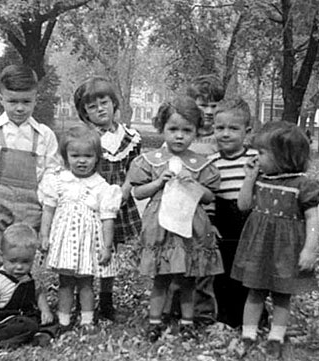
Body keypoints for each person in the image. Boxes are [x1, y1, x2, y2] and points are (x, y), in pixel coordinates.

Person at [128, 97, 223, 342]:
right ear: (162, 129)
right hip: (160, 225)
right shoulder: (152, 160)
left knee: (188, 278)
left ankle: (187, 322)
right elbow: (137, 192)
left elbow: (210, 197)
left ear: (196, 131)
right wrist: (159, 182)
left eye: (186, 130)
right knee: (161, 277)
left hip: (190, 225)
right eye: (173, 129)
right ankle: (155, 320)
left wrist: (197, 187)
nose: (179, 136)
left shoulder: (200, 164)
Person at [232, 121, 319, 358]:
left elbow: (313, 220)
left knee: (283, 294)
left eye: (262, 153)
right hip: (259, 247)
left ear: (283, 157)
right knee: (255, 291)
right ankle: (248, 334)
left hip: (286, 249)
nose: (256, 157)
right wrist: (249, 178)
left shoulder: (303, 186)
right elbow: (243, 205)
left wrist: (310, 249)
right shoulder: (261, 179)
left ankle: (276, 337)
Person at [0, 65, 61, 292]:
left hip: (31, 206)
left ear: (35, 99)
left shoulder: (44, 135)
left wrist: (45, 199)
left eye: (26, 102)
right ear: (1, 99)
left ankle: (22, 309)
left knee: (23, 258)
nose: (20, 108)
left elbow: (53, 170)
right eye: (13, 101)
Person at [39, 125, 122, 334]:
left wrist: (107, 246)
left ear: (97, 158)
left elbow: (107, 218)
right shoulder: (59, 181)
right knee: (65, 282)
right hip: (65, 241)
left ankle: (87, 319)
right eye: (75, 155)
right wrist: (44, 234)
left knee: (86, 283)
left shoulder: (101, 186)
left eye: (88, 155)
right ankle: (64, 319)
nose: (82, 160)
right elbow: (48, 210)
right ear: (66, 156)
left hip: (88, 244)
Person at [73, 77, 142, 322]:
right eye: (92, 107)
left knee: (108, 251)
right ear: (85, 113)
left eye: (104, 103)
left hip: (119, 201)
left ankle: (106, 301)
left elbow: (135, 169)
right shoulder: (86, 138)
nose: (100, 109)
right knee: (86, 248)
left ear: (114, 104)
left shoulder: (130, 137)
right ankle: (82, 299)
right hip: (91, 202)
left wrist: (124, 191)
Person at [211, 98, 255, 328]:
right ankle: (224, 315)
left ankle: (251, 314)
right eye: (220, 128)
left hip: (249, 221)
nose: (225, 134)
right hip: (222, 219)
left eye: (233, 128)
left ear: (247, 131)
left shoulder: (255, 159)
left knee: (248, 270)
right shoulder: (211, 162)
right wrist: (210, 224)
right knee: (223, 270)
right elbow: (207, 198)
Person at [0, 223, 56, 352]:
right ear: (2, 257)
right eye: (13, 261)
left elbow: (38, 293)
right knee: (26, 326)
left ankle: (39, 334)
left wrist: (45, 310)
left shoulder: (28, 277)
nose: (19, 267)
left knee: (50, 319)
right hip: (4, 322)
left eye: (25, 262)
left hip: (25, 315)